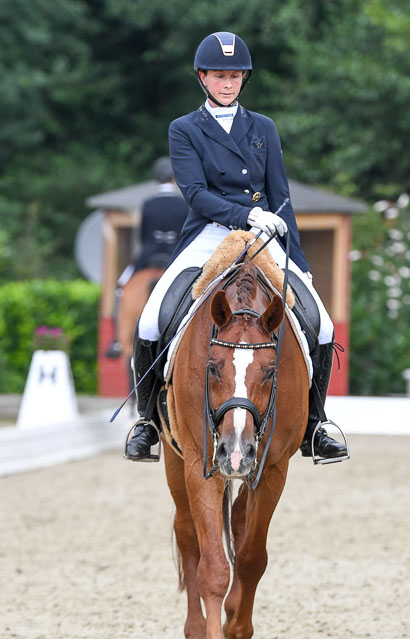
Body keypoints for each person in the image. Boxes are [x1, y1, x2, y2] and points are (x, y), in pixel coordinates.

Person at [125, 31, 348, 463]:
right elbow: (194, 192)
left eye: (235, 76)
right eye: (219, 76)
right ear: (202, 78)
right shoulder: (184, 129)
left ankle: (316, 425)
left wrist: (297, 259)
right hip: (210, 232)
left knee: (321, 325)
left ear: (243, 79)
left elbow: (281, 194)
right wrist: (245, 215)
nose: (228, 83)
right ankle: (147, 422)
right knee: (152, 318)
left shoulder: (262, 126)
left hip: (265, 233)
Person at [106, 157, 189, 358]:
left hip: (149, 255)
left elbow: (143, 236)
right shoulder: (184, 203)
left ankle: (117, 340)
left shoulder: (148, 204)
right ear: (173, 177)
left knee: (121, 286)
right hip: (174, 256)